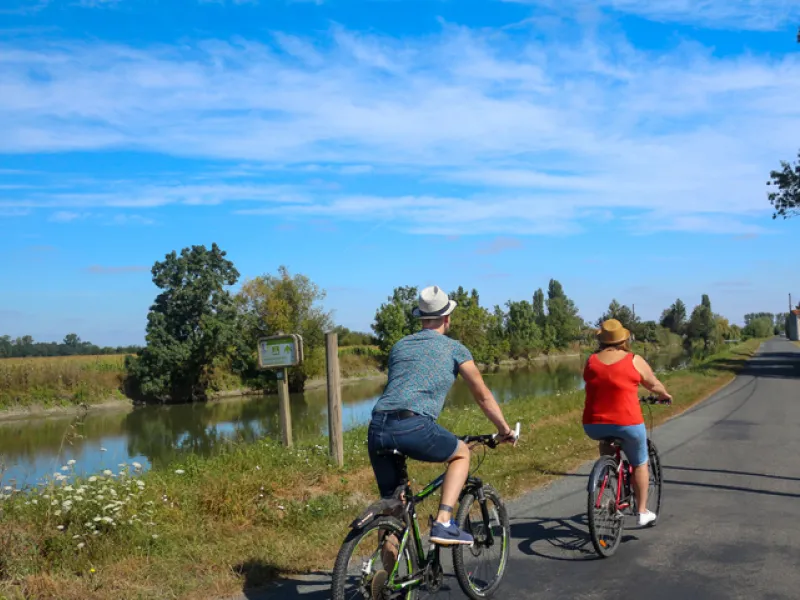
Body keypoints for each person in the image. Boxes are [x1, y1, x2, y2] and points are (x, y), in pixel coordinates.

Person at [368, 285, 517, 548]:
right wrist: (504, 429)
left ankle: (384, 585)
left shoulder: (400, 346)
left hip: (378, 426)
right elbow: (482, 395)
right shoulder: (455, 349)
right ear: (447, 318)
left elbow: (404, 388)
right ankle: (444, 522)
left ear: (421, 318)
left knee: (393, 508)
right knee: (461, 454)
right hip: (413, 425)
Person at [582, 319, 672, 527]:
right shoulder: (633, 359)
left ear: (601, 341)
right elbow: (652, 383)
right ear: (624, 339)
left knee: (606, 439)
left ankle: (608, 470)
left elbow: (594, 381)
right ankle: (641, 511)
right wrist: (663, 394)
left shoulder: (591, 360)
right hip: (627, 422)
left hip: (593, 424)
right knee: (640, 462)